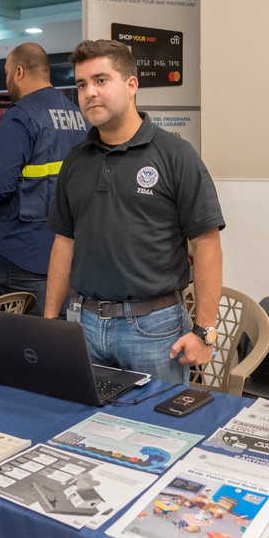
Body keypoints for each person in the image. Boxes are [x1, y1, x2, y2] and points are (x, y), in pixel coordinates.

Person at [44, 39, 225, 384]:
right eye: (81, 84)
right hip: (83, 322)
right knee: (82, 428)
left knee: (163, 431)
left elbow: (207, 244)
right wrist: (52, 319)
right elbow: (64, 242)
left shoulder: (175, 155)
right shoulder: (75, 160)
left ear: (131, 86)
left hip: (153, 330)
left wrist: (204, 331)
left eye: (101, 80)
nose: (89, 93)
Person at [0, 43, 89, 315]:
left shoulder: (18, 118)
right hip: (69, 251)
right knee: (64, 337)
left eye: (6, 74)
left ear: (19, 72)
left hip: (24, 254)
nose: (6, 81)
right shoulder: (78, 116)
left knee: (31, 347)